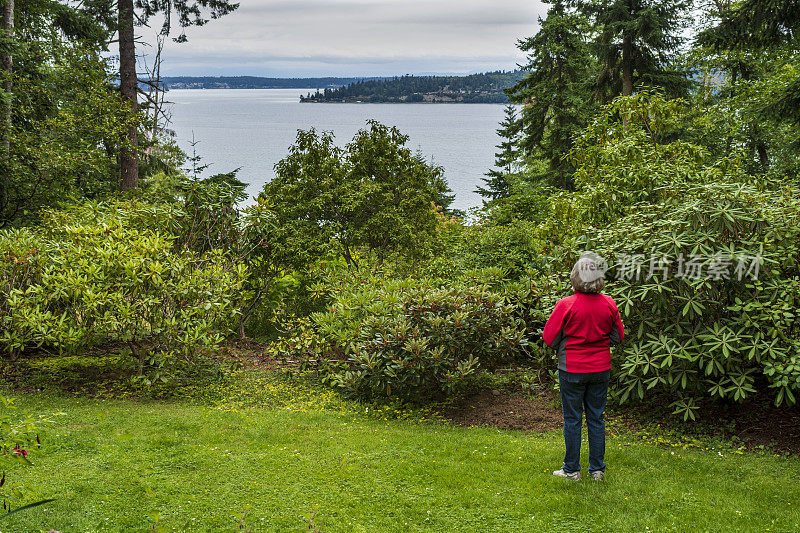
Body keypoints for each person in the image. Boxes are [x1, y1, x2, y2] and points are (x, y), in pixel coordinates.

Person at [543, 254, 624, 481]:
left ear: (575, 278)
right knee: (596, 419)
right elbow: (618, 337)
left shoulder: (566, 305)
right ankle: (597, 470)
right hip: (600, 369)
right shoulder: (609, 303)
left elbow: (549, 338)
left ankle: (571, 470)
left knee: (573, 419)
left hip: (572, 369)